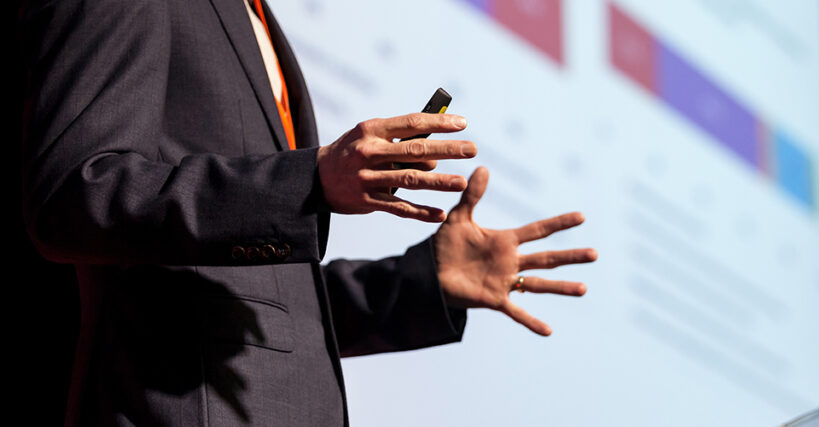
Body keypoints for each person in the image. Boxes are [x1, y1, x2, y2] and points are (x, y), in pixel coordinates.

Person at [17, 0, 597, 425]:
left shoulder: (260, 18)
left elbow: (261, 304)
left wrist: (422, 284)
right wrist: (308, 180)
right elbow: (74, 193)